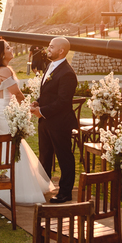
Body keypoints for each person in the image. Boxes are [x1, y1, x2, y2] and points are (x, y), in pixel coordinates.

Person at [0, 39, 53, 206]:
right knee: (12, 143)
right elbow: (17, 94)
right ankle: (15, 187)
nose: (11, 49)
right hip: (2, 111)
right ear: (1, 53)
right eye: (8, 47)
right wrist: (30, 108)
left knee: (1, 143)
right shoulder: (5, 70)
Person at [31, 36, 78, 203]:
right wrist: (38, 101)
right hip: (45, 121)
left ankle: (65, 193)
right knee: (44, 155)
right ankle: (43, 188)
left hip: (60, 123)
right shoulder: (50, 66)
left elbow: (63, 102)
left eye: (51, 47)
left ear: (61, 51)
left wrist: (41, 111)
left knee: (64, 156)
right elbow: (49, 93)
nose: (47, 49)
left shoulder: (67, 73)